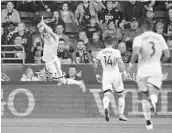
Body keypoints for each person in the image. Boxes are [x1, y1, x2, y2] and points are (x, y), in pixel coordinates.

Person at [128, 19, 170, 130]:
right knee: (154, 92)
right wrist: (160, 63)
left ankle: (148, 122)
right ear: (153, 27)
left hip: (142, 70)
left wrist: (131, 63)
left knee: (144, 95)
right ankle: (154, 99)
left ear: (143, 27)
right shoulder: (160, 37)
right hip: (156, 69)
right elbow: (167, 54)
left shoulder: (139, 38)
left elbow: (136, 52)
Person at [37, 17, 86, 92]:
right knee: (54, 78)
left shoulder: (55, 38)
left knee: (62, 80)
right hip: (47, 62)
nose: (45, 33)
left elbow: (49, 31)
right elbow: (39, 28)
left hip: (53, 62)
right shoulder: (45, 36)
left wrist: (44, 24)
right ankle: (60, 80)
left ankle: (79, 83)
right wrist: (41, 22)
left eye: (47, 31)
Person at [93, 36, 128, 122]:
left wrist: (97, 75)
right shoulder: (116, 51)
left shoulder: (100, 52)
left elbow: (95, 64)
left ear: (104, 43)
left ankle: (106, 108)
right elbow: (120, 62)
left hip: (106, 75)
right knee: (121, 94)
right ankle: (121, 114)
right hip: (115, 74)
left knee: (107, 95)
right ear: (112, 43)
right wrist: (124, 72)